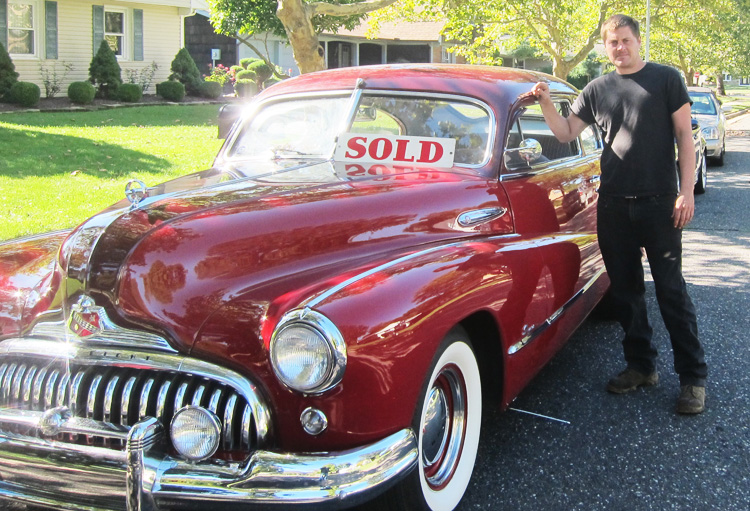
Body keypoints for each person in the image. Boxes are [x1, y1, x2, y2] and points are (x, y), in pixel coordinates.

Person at [531, 13, 707, 414]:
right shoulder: (596, 89)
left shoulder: (666, 79)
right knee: (626, 292)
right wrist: (544, 101)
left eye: (626, 40)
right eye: (613, 43)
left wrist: (686, 193)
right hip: (613, 204)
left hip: (660, 204)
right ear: (605, 47)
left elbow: (684, 136)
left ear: (638, 40)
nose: (620, 48)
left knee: (671, 292)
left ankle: (693, 378)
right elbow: (564, 133)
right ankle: (641, 366)